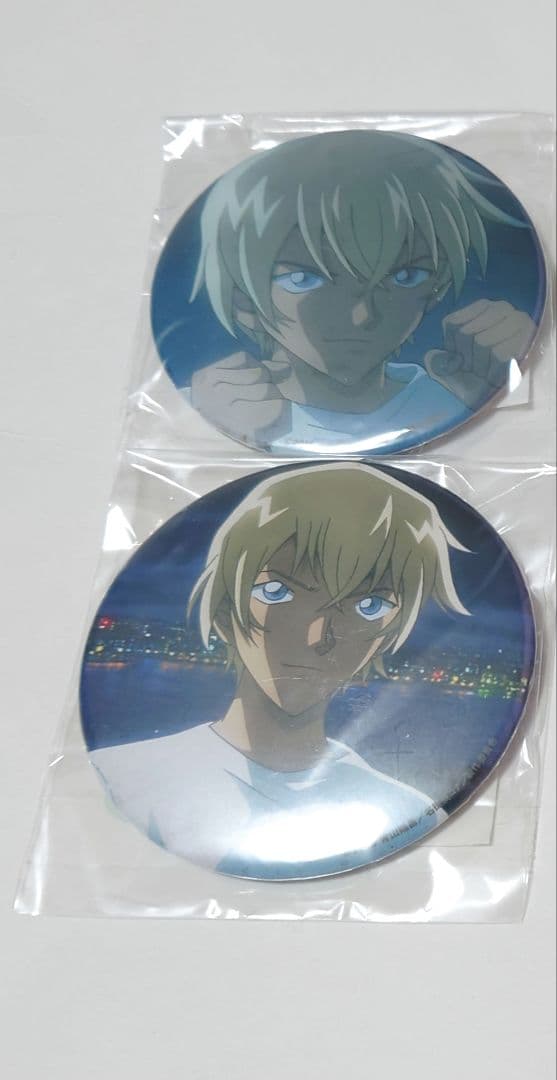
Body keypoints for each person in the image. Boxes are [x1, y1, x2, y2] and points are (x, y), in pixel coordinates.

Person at [91, 464, 471, 879]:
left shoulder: (408, 808)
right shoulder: (122, 776)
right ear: (225, 612)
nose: (319, 636)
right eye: (277, 592)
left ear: (386, 635)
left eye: (369, 606)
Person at [188, 130, 536, 451]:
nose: (362, 316)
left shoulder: (452, 395)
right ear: (244, 302)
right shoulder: (215, 405)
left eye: (404, 276)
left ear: (436, 286)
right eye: (304, 279)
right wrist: (222, 437)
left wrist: (479, 398)